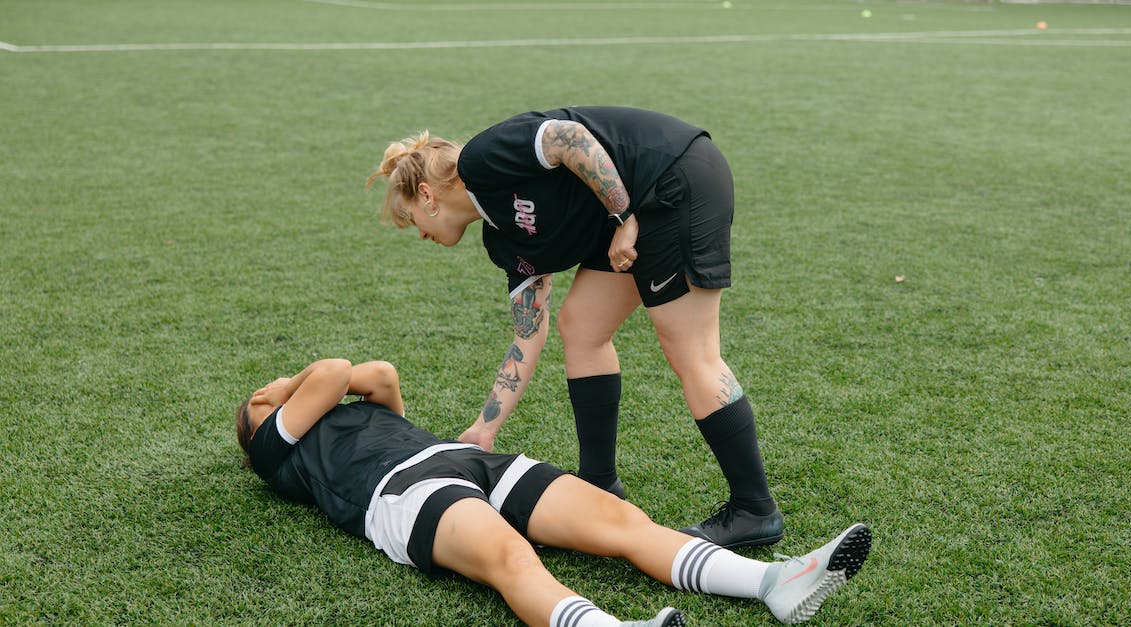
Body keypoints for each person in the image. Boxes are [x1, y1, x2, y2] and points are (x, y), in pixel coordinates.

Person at [368, 106, 781, 548]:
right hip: (629, 210)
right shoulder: (503, 240)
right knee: (581, 327)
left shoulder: (480, 160)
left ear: (428, 195)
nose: (421, 235)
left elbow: (568, 138)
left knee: (691, 350)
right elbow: (528, 335)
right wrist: (483, 429)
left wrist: (623, 218)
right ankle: (599, 484)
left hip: (672, 176)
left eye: (412, 219)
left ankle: (754, 508)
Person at [235, 358, 872, 626]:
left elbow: (380, 376)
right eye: (261, 396)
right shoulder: (275, 449)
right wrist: (287, 388)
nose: (270, 389)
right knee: (514, 561)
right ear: (259, 423)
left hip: (466, 460)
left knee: (626, 523)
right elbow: (334, 374)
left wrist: (310, 388)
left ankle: (773, 582)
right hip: (399, 494)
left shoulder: (311, 416)